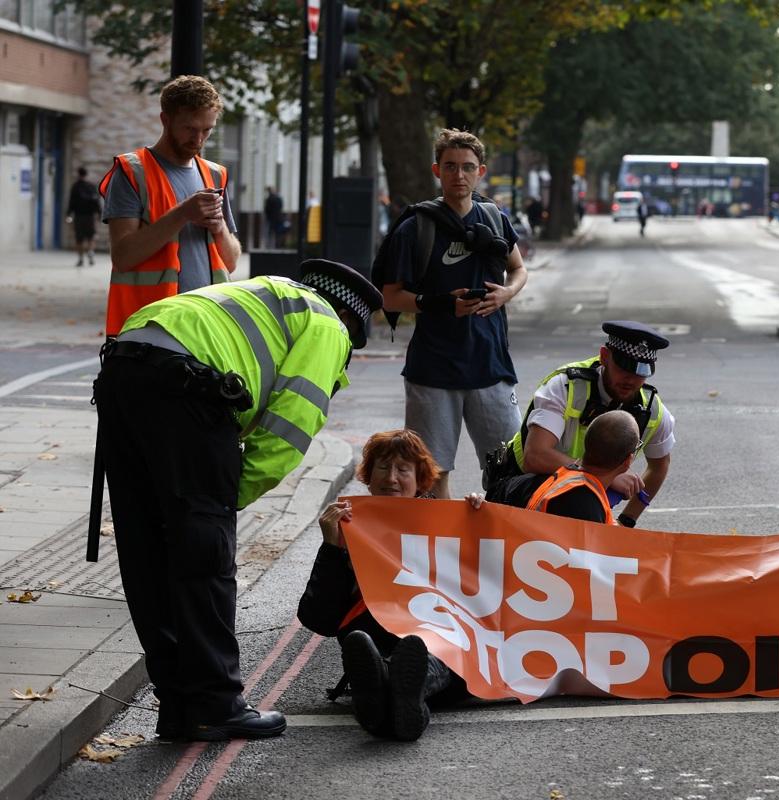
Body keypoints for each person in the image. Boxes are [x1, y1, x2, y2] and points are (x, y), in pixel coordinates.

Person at [94, 258, 383, 741]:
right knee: (202, 553)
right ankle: (215, 703)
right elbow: (284, 436)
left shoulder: (266, 295)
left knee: (147, 550)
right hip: (189, 388)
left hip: (123, 368)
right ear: (352, 322)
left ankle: (180, 705)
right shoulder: (328, 325)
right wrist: (220, 503)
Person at [375, 128, 528, 499]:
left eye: (467, 167)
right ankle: (442, 553)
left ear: (481, 172)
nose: (459, 175)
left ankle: (493, 549)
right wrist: (442, 303)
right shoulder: (417, 227)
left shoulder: (494, 219)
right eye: (450, 167)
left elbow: (519, 269)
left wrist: (507, 293)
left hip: (491, 366)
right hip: (434, 369)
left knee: (508, 471)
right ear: (436, 170)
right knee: (432, 475)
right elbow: (390, 297)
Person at [296, 429, 470, 742]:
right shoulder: (349, 526)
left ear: (420, 481)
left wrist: (479, 522)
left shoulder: (448, 523)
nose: (391, 478)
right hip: (377, 634)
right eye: (383, 468)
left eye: (403, 470)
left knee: (434, 652)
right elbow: (318, 618)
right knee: (407, 665)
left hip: (441, 636)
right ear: (368, 476)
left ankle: (384, 684)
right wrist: (332, 548)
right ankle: (399, 691)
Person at [493, 321, 674, 528]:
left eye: (641, 372)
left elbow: (660, 466)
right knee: (582, 504)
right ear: (605, 356)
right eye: (624, 366)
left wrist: (627, 521)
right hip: (522, 487)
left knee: (587, 508)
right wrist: (605, 476)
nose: (631, 380)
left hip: (582, 496)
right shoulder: (565, 386)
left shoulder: (652, 410)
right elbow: (535, 457)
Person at [100, 75, 240, 338]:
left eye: (207, 130)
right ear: (166, 120)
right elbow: (123, 256)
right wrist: (183, 213)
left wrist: (220, 227)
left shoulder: (215, 175)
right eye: (190, 128)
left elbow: (230, 262)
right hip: (151, 330)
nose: (198, 140)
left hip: (209, 327)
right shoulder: (132, 172)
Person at [470, 409, 641, 523]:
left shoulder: (545, 482)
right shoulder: (590, 513)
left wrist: (477, 505)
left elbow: (497, 498)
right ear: (627, 461)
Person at [66, 167, 101, 267]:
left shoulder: (75, 187)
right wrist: (99, 213)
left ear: (78, 174)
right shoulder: (91, 186)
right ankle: (90, 251)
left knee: (79, 239)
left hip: (78, 216)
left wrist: (68, 214)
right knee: (92, 236)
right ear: (86, 174)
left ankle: (80, 259)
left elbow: (71, 202)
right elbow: (97, 201)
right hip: (90, 216)